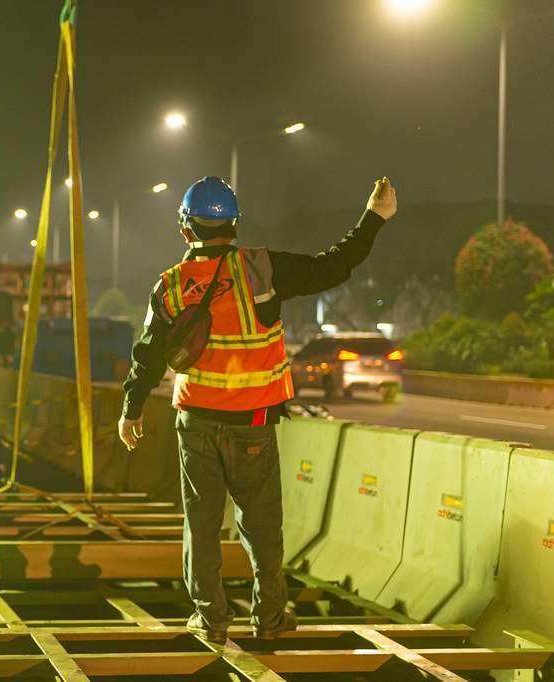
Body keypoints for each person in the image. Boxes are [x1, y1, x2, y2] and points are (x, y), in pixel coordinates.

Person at [118, 175, 397, 644]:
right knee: (262, 526)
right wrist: (375, 218)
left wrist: (132, 409)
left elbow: (146, 353)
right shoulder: (262, 270)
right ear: (234, 226)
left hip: (197, 426)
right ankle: (269, 617)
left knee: (202, 524)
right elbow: (334, 266)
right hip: (253, 427)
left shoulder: (169, 285)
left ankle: (210, 619)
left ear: (186, 229)